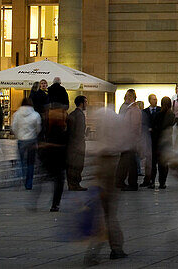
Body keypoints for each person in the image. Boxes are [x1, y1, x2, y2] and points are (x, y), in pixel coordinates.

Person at [84, 105, 127, 266]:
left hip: (103, 165)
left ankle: (116, 247)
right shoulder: (115, 127)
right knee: (107, 214)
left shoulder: (101, 129)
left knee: (104, 213)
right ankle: (107, 249)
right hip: (110, 165)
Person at [37, 103, 68, 212]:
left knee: (53, 178)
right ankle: (55, 204)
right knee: (58, 180)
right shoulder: (61, 122)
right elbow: (65, 140)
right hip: (57, 155)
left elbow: (41, 136)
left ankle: (49, 202)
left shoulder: (47, 122)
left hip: (49, 155)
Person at [11, 96, 41, 191]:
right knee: (30, 163)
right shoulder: (36, 114)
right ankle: (29, 183)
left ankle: (21, 179)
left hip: (21, 140)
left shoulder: (16, 114)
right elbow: (38, 128)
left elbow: (14, 127)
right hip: (31, 140)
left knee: (21, 161)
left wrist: (18, 135)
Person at [66, 95, 88, 190]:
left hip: (71, 144)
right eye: (86, 102)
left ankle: (72, 184)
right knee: (78, 165)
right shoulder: (80, 115)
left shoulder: (72, 114)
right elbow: (79, 131)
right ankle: (75, 184)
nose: (87, 104)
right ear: (81, 103)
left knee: (72, 165)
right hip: (77, 144)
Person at [141, 94, 161, 188]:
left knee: (156, 161)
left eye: (156, 99)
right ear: (149, 100)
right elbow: (143, 124)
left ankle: (154, 180)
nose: (155, 100)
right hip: (148, 139)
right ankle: (149, 179)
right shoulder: (144, 112)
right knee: (149, 161)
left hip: (157, 140)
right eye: (153, 99)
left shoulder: (160, 110)